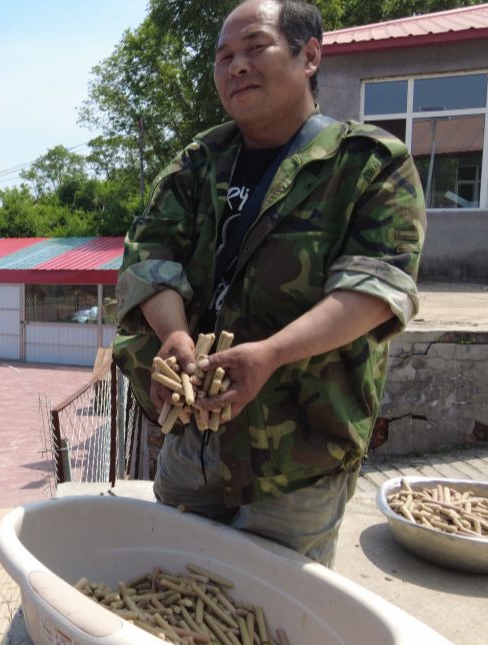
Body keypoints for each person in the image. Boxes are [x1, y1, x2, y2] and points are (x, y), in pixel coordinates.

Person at [112, 0, 425, 567]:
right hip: (194, 447)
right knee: (169, 591)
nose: (236, 66)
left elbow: (376, 290)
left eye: (255, 48)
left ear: (310, 56)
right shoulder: (196, 164)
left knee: (272, 614)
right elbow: (148, 259)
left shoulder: (367, 165)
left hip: (297, 463)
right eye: (224, 56)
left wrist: (272, 355)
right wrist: (173, 337)